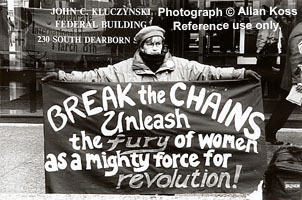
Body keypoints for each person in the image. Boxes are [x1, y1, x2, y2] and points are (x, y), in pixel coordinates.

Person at [42, 26, 260, 83]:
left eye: (159, 43)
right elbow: (96, 76)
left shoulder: (182, 66)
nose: (156, 47)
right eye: (151, 43)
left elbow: (211, 72)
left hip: (171, 129)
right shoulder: (124, 68)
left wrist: (241, 73)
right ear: (142, 47)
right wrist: (63, 76)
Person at [265, 22, 302, 145]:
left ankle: (269, 133)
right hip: (297, 80)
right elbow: (296, 56)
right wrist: (299, 80)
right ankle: (269, 133)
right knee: (285, 107)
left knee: (284, 107)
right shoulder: (300, 31)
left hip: (296, 79)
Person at [256, 5, 280, 98]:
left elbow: (263, 37)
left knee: (262, 72)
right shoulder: (274, 22)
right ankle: (271, 93)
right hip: (273, 48)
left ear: (266, 13)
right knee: (270, 72)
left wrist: (259, 51)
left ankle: (261, 94)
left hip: (266, 49)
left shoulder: (267, 23)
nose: (260, 14)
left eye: (262, 12)